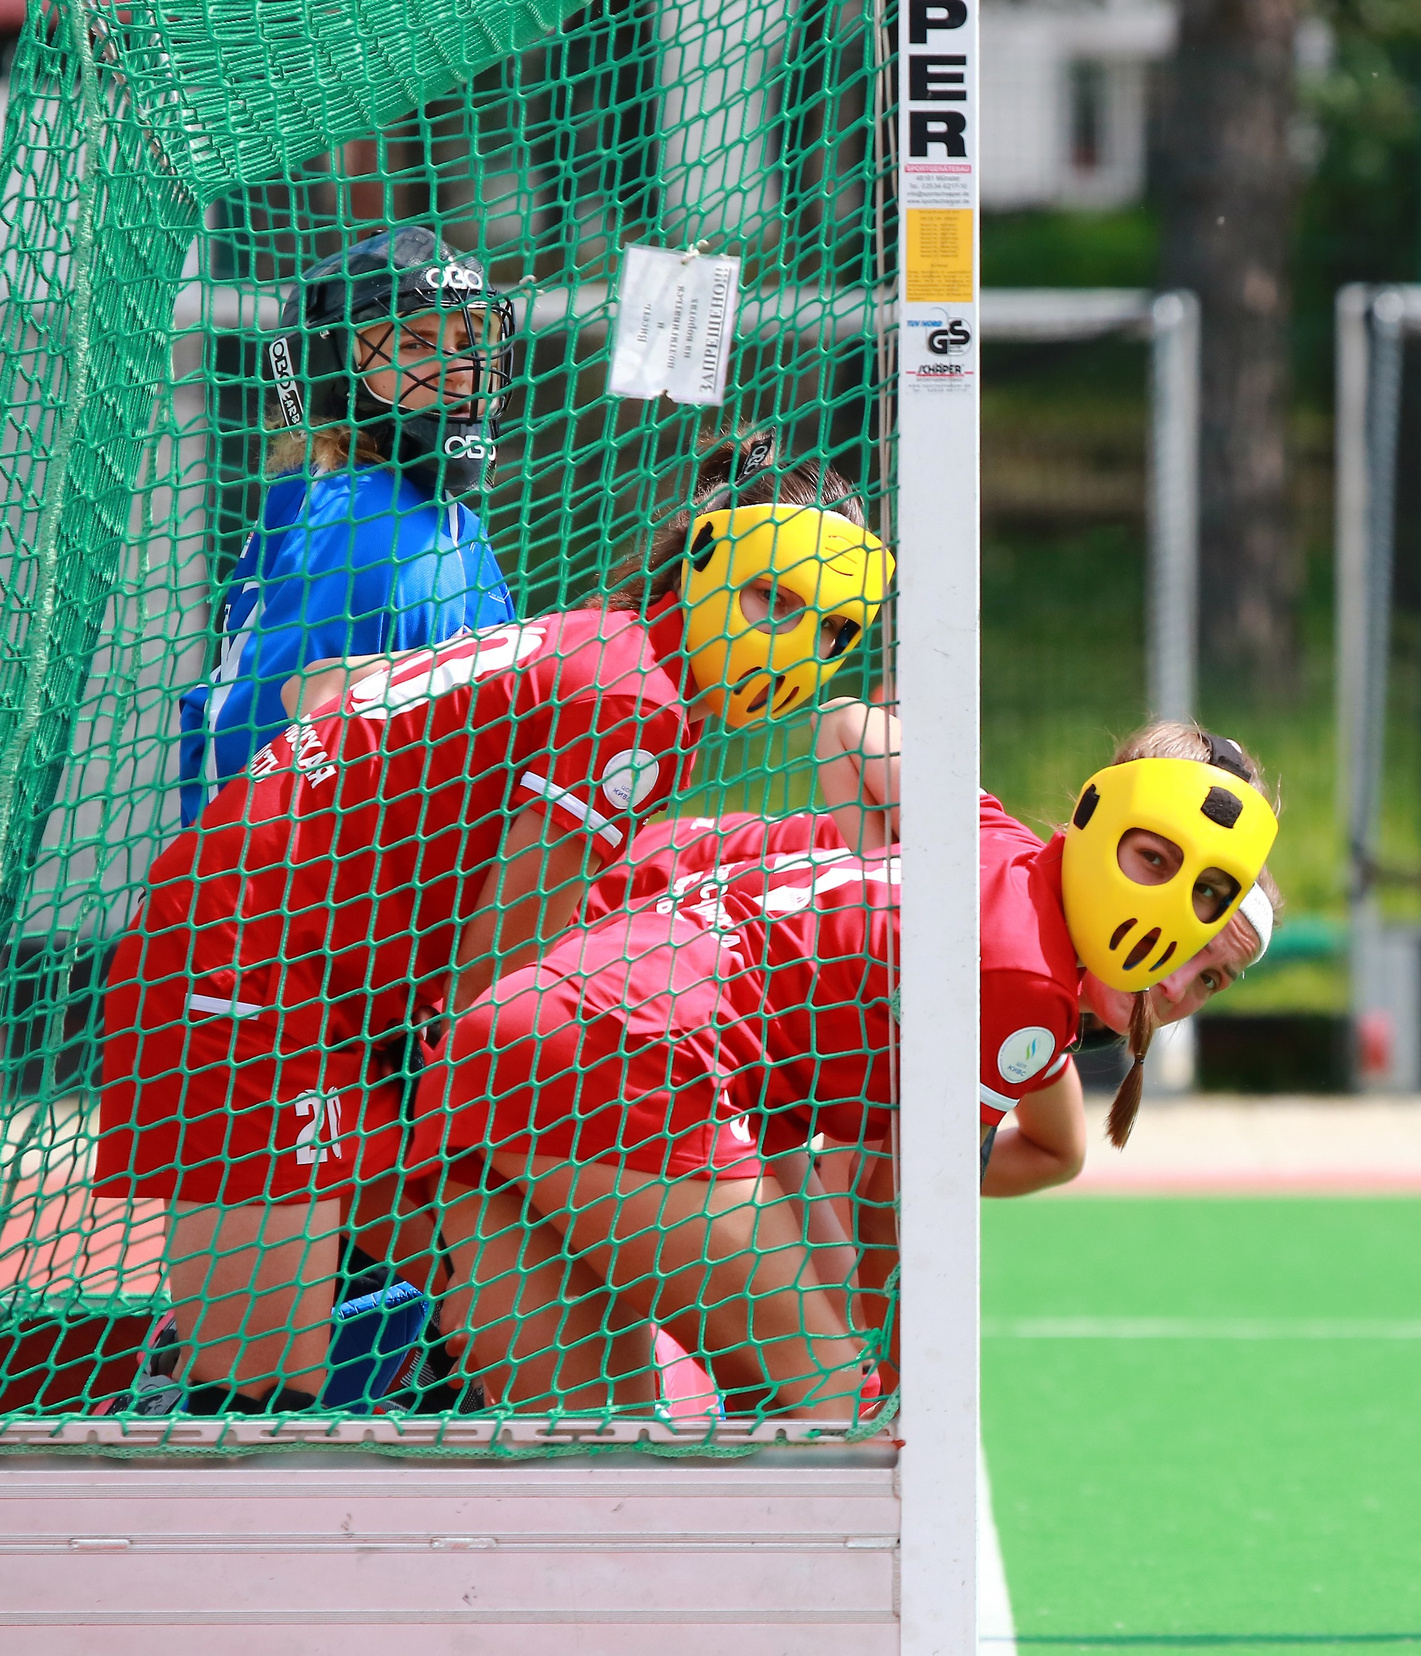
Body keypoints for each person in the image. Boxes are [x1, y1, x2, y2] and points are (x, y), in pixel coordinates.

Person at [93, 431, 892, 1418]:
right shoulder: (633, 703)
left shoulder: (608, 647)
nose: (796, 650)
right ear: (703, 557)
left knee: (527, 1329)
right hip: (242, 973)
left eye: (831, 630)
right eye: (773, 600)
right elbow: (501, 983)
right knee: (251, 1405)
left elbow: (327, 699)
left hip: (320, 984)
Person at [407, 722, 1282, 1417]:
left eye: (1211, 974)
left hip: (527, 1027)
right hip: (629, 1053)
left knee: (595, 1446)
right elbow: (895, 1207)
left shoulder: (996, 837)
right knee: (836, 1416)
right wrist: (904, 1396)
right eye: (1156, 864)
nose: (1177, 978)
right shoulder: (1023, 985)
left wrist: (875, 868)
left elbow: (848, 727)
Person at [180, 227, 521, 824]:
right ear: (333, 368)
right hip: (290, 897)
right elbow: (308, 743)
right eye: (416, 344)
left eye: (471, 342)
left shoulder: (397, 504)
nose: (461, 370)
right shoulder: (376, 523)